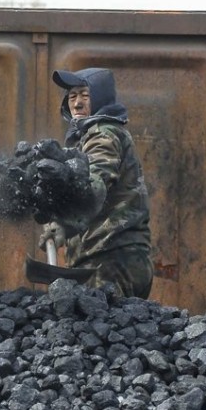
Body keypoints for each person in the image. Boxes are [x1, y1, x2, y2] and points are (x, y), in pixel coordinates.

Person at [38, 67, 153, 299]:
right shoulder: (90, 136)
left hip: (110, 260)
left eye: (85, 95)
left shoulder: (103, 134)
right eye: (72, 96)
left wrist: (63, 224)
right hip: (113, 259)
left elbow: (95, 185)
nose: (77, 104)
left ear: (100, 98)